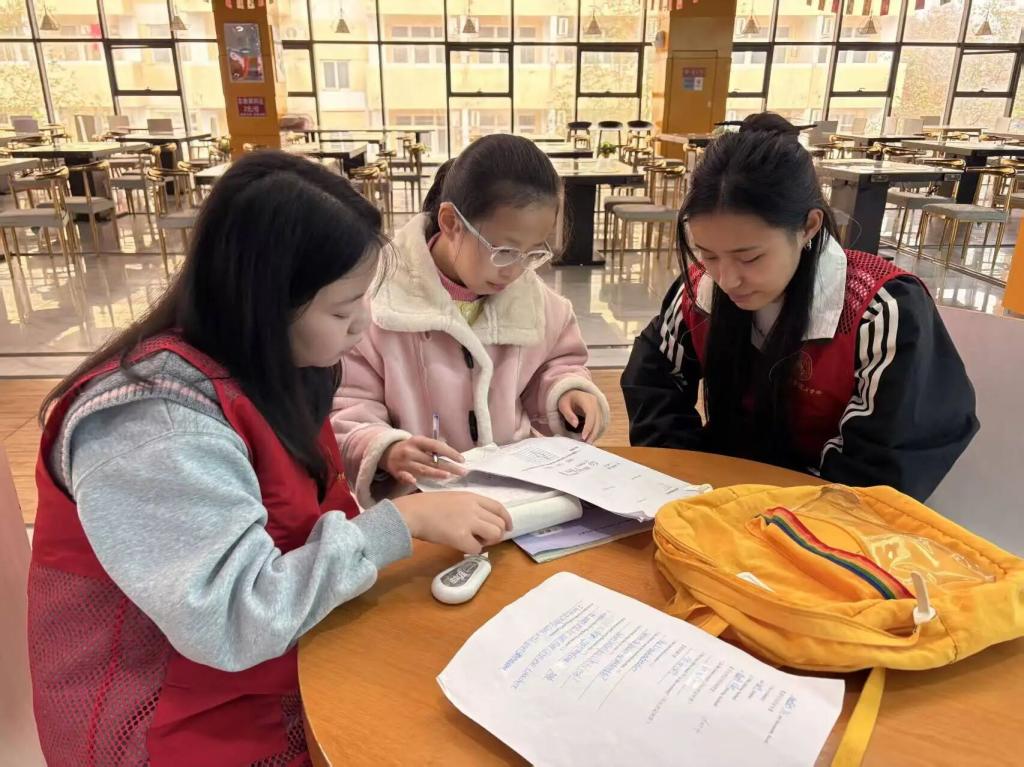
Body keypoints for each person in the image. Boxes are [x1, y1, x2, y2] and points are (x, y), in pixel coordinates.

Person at [27, 151, 512, 767]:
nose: (362, 326)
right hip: (170, 720)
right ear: (262, 301)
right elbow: (231, 621)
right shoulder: (153, 429)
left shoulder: (273, 365)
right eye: (343, 309)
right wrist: (403, 523)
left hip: (278, 662)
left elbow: (288, 492)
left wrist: (381, 461)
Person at [622, 113, 978, 501]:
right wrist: (686, 479)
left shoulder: (879, 311)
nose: (727, 279)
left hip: (829, 514)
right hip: (721, 497)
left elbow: (884, 467)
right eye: (709, 255)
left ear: (809, 227)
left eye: (750, 258)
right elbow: (654, 379)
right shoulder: (698, 293)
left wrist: (778, 514)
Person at [333, 134, 610, 508]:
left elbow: (555, 365)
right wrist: (386, 449)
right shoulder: (377, 303)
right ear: (451, 222)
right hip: (424, 502)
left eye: (534, 253)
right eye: (504, 251)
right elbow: (348, 405)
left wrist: (566, 391)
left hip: (515, 493)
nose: (516, 270)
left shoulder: (540, 305)